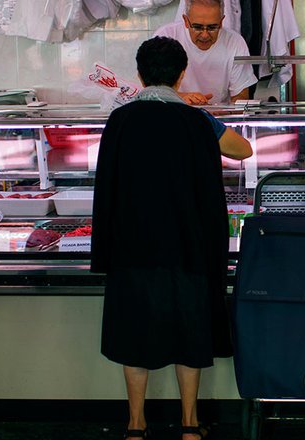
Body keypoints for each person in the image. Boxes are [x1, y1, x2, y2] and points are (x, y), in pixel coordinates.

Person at [91, 36, 252, 440]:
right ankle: (190, 424)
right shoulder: (198, 122)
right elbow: (240, 154)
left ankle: (135, 424)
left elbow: (104, 188)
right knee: (189, 331)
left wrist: (103, 252)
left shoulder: (120, 121)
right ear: (182, 75)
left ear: (140, 75)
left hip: (132, 247)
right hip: (188, 246)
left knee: (134, 333)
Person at [154, 0, 258, 105]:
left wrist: (221, 112)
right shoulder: (166, 37)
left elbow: (241, 97)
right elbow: (151, 90)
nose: (205, 35)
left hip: (218, 116)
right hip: (175, 113)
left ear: (221, 22)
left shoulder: (235, 42)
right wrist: (182, 98)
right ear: (186, 21)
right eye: (197, 27)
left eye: (212, 28)